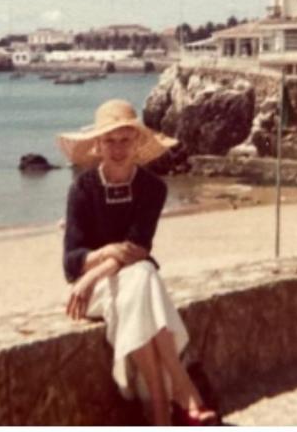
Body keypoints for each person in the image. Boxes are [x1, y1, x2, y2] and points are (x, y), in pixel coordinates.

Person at [58, 99, 219, 426]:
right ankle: (183, 391)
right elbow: (71, 261)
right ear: (98, 146)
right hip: (98, 291)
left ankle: (159, 407)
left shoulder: (152, 188)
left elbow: (140, 246)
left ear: (137, 142)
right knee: (143, 275)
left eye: (125, 139)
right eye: (109, 140)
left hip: (122, 283)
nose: (117, 148)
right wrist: (105, 257)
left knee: (140, 275)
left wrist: (96, 269)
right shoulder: (82, 189)